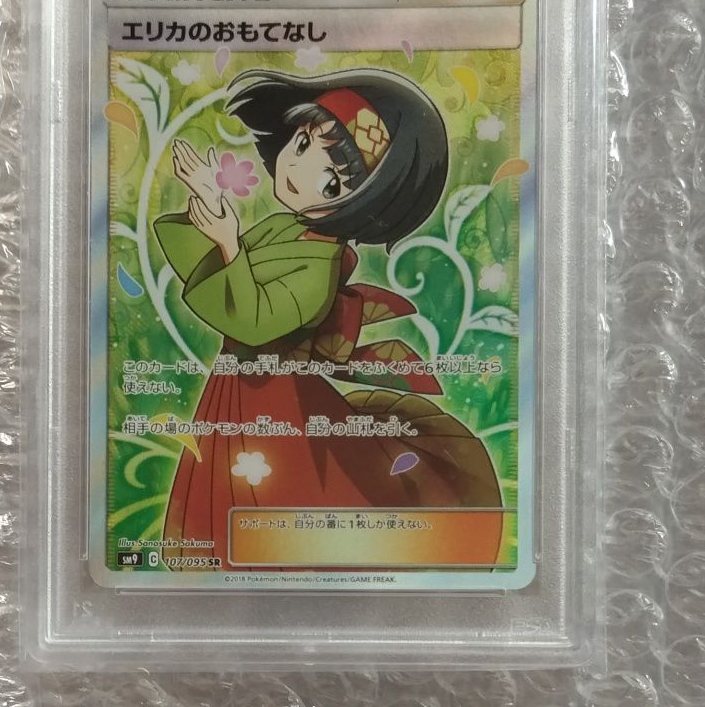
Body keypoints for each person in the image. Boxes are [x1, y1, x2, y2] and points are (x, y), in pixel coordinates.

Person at [154, 68, 502, 570]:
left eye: (332, 182)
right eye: (301, 143)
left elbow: (255, 321)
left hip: (274, 395)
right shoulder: (283, 226)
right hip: (239, 384)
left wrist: (229, 242)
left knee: (285, 486)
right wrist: (208, 206)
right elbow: (214, 280)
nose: (297, 170)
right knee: (227, 477)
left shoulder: (319, 268)